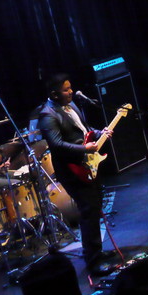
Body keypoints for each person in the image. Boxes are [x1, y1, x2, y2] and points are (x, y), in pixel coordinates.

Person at [39, 73, 114, 275]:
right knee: (88, 211)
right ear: (54, 94)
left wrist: (99, 133)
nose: (71, 91)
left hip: (86, 165)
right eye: (66, 90)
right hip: (72, 170)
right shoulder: (48, 115)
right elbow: (56, 145)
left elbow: (84, 130)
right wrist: (84, 149)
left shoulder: (71, 105)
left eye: (70, 87)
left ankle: (97, 251)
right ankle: (93, 261)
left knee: (95, 207)